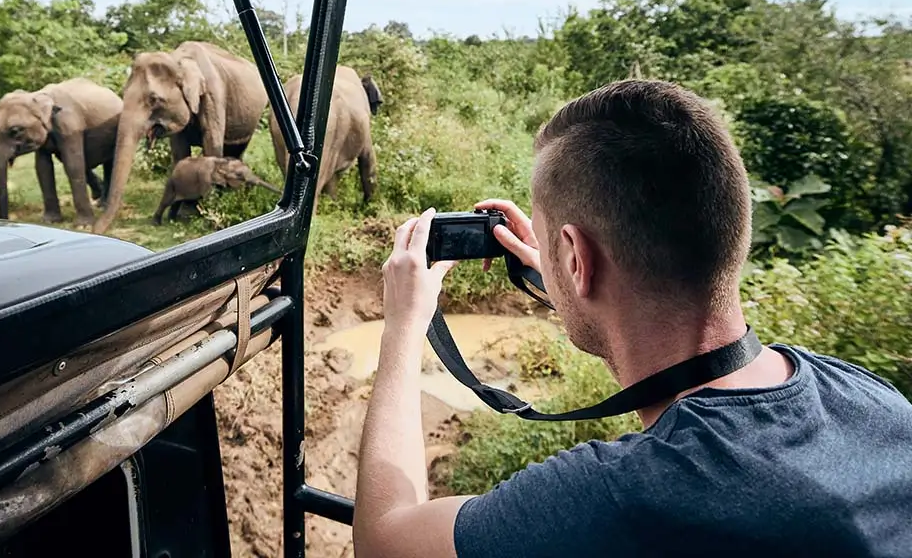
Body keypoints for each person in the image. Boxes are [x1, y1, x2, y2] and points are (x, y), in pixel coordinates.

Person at [353, 79, 912, 558]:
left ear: (576, 258)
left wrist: (405, 324)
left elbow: (384, 541)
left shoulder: (632, 491)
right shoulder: (869, 396)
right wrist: (568, 278)